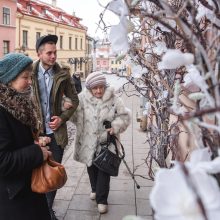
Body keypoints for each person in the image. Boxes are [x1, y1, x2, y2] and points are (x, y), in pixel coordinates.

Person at [32, 34, 79, 220]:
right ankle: (40, 211)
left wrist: (62, 118)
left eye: (55, 52)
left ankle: (47, 211)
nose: (53, 56)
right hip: (34, 135)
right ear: (39, 54)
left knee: (53, 177)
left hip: (55, 134)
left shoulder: (63, 75)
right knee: (35, 175)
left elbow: (74, 100)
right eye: (49, 53)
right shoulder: (30, 73)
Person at [0, 53, 52, 220]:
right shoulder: (2, 111)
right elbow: (2, 160)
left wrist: (37, 140)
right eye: (25, 77)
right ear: (9, 79)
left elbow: (19, 140)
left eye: (30, 77)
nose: (30, 82)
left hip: (28, 186)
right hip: (13, 196)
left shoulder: (19, 103)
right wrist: (38, 153)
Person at [70, 71, 131, 214]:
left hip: (106, 142)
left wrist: (115, 126)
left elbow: (124, 117)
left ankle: (102, 199)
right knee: (91, 166)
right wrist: (68, 108)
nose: (98, 90)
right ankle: (94, 188)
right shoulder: (81, 99)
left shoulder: (115, 99)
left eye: (101, 87)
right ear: (89, 88)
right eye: (95, 88)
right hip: (87, 141)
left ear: (105, 86)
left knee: (104, 170)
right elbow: (73, 118)